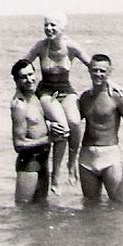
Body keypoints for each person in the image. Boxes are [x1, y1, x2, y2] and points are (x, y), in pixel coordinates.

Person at [24, 12, 91, 193]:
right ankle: (55, 178)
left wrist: (110, 83)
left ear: (62, 28)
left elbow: (94, 66)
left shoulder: (71, 47)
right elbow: (23, 64)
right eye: (46, 25)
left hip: (65, 91)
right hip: (48, 93)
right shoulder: (40, 46)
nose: (49, 29)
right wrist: (21, 91)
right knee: (62, 127)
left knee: (75, 123)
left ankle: (72, 164)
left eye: (53, 25)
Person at [78, 54, 123, 206]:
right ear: (89, 71)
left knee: (119, 205)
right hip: (86, 157)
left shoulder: (117, 97)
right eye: (95, 70)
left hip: (110, 156)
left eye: (102, 71)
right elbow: (72, 124)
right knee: (90, 207)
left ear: (109, 72)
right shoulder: (85, 98)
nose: (98, 74)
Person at [10, 59, 68, 205]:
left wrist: (50, 125)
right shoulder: (20, 106)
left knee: (41, 210)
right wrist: (49, 139)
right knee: (23, 210)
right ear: (16, 81)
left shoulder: (35, 96)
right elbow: (18, 144)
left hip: (43, 160)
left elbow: (37, 123)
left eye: (30, 74)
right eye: (23, 77)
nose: (29, 79)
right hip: (29, 163)